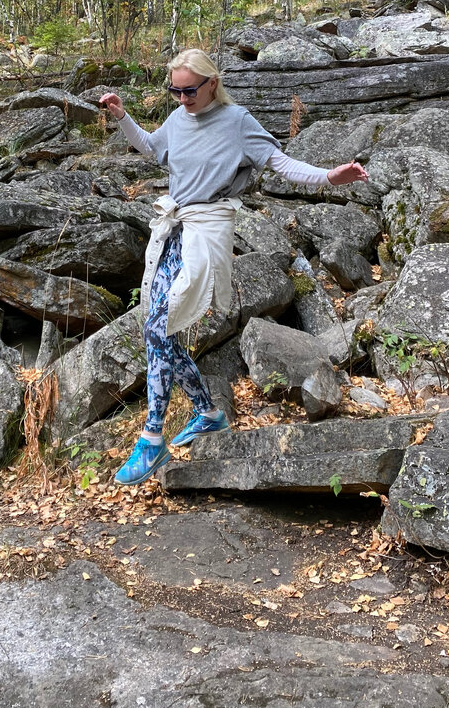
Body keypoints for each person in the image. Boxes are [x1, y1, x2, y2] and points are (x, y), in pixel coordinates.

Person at [99, 47, 369, 485]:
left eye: (189, 90)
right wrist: (122, 116)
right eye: (174, 90)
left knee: (160, 326)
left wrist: (329, 177)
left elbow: (279, 164)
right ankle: (207, 412)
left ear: (212, 84)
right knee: (158, 328)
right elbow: (151, 148)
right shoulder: (177, 118)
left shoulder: (237, 121)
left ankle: (151, 440)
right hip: (174, 227)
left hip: (207, 229)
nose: (182, 98)